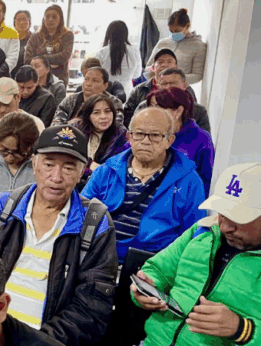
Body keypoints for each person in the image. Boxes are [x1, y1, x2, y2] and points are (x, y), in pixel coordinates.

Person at [0, 125, 117, 346]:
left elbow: (92, 307)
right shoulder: (2, 208)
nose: (56, 177)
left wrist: (37, 341)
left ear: (82, 172)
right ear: (34, 164)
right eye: (49, 164)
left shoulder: (95, 223)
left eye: (69, 168)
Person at [130, 163, 261, 346]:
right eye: (222, 213)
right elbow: (158, 269)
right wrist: (148, 286)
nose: (224, 227)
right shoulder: (203, 231)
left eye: (238, 217)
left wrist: (243, 330)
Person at [82, 108, 205, 263]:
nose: (145, 141)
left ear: (169, 140)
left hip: (152, 264)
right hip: (98, 256)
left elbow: (194, 236)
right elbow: (81, 212)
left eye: (155, 135)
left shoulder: (189, 182)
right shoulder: (106, 171)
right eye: (139, 134)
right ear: (129, 137)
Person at [147, 87, 214, 195]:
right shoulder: (144, 133)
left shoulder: (201, 139)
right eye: (151, 107)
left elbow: (206, 180)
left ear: (178, 111)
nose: (152, 112)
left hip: (182, 202)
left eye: (159, 107)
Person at [124, 48, 194, 127]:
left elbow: (193, 115)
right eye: (160, 62)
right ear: (153, 67)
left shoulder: (187, 90)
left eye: (169, 61)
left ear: (176, 66)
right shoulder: (139, 90)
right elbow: (128, 117)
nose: (165, 65)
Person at [69, 94, 128, 186]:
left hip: (102, 183)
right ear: (87, 115)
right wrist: (89, 165)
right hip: (73, 179)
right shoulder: (74, 129)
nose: (103, 117)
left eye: (107, 111)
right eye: (96, 112)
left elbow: (115, 166)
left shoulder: (120, 134)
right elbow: (70, 158)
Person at [134, 67, 211, 133]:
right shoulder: (145, 106)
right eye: (164, 84)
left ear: (185, 85)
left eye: (173, 83)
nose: (168, 87)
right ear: (158, 86)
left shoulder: (198, 110)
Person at [145, 9, 207, 85]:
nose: (173, 33)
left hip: (179, 90)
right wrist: (153, 72)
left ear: (187, 26)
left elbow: (197, 75)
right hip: (156, 87)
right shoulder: (163, 43)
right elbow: (147, 67)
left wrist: (173, 78)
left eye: (177, 31)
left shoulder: (198, 46)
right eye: (171, 31)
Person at [52, 67, 124, 127]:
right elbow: (55, 125)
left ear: (105, 85)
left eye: (95, 81)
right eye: (86, 79)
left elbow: (117, 128)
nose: (88, 84)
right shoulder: (71, 100)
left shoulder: (114, 102)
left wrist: (80, 123)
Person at [23, 5, 74, 85]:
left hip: (59, 81)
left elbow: (64, 56)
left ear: (60, 19)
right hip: (37, 80)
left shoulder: (68, 35)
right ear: (44, 19)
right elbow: (27, 60)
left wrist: (41, 59)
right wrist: (53, 62)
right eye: (47, 16)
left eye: (54, 17)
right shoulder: (35, 37)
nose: (50, 19)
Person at [95, 20, 142, 95]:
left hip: (105, 92)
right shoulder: (135, 51)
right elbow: (137, 74)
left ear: (108, 34)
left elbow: (95, 73)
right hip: (127, 92)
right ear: (126, 34)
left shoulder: (102, 52)